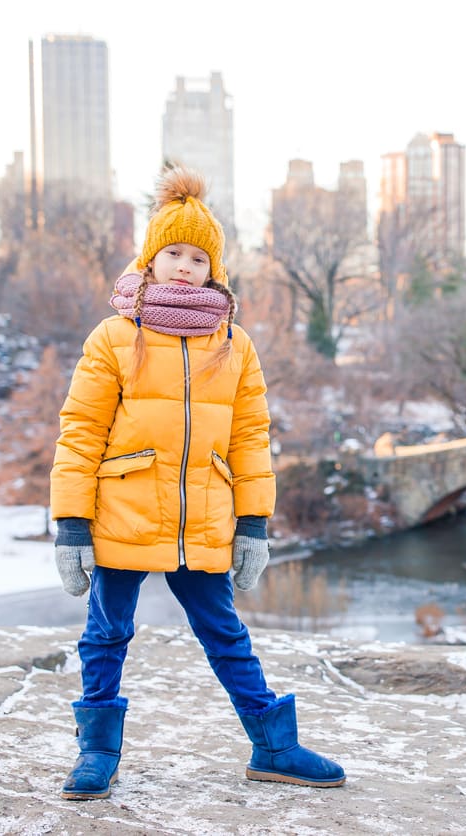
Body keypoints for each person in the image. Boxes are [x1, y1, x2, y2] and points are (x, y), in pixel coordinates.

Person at [50, 166, 345, 800]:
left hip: (202, 518)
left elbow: (250, 440)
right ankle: (97, 750)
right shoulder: (114, 337)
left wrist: (254, 524)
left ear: (214, 268)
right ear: (150, 260)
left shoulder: (233, 345)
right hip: (123, 513)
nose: (184, 266)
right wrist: (70, 524)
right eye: (173, 254)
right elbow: (80, 432)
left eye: (198, 257)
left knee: (225, 633)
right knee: (107, 631)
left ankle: (274, 746)